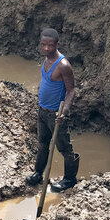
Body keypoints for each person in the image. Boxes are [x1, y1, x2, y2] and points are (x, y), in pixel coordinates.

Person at [25, 28, 79, 192]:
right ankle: (38, 173)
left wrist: (64, 112)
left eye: (50, 45)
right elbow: (46, 79)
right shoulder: (46, 60)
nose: (46, 48)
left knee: (65, 149)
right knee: (42, 144)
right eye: (43, 45)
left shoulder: (63, 65)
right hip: (42, 111)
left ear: (57, 44)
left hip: (56, 114)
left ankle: (70, 179)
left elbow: (71, 90)